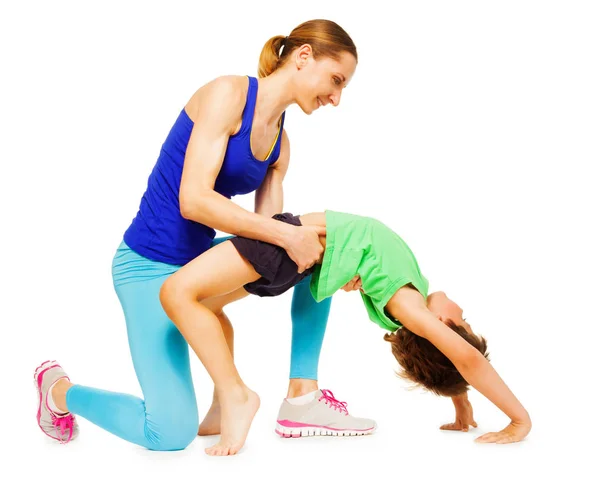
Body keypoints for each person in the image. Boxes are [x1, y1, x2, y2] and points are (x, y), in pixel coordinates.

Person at [33, 19, 367, 451]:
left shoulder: (281, 146)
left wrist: (327, 261)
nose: (337, 98)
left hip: (194, 264)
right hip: (146, 267)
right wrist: (290, 237)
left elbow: (265, 241)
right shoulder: (227, 94)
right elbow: (194, 200)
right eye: (336, 80)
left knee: (321, 254)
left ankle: (301, 397)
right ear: (303, 57)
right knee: (169, 434)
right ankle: (57, 390)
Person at [158, 210, 533, 455]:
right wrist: (460, 401)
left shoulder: (412, 310)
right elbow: (458, 362)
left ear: (444, 330)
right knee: (205, 308)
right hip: (296, 256)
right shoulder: (412, 294)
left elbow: (466, 359)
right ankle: (223, 400)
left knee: (183, 295)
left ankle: (236, 395)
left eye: (463, 322)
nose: (462, 312)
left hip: (286, 248)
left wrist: (519, 419)